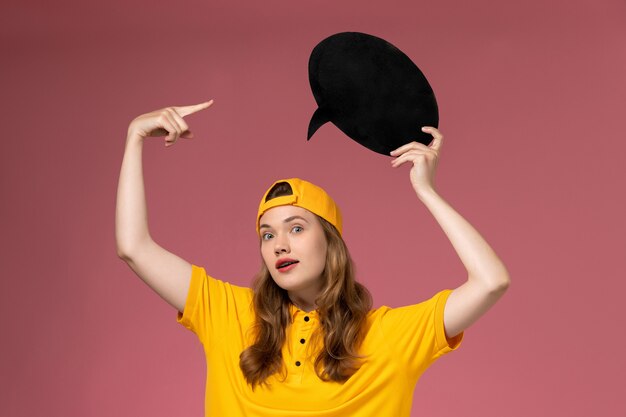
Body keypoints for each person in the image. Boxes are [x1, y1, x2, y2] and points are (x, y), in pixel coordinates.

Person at [115, 101, 511, 417]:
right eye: (267, 235)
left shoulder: (388, 335)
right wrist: (135, 136)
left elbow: (491, 281)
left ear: (331, 241)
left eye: (297, 227)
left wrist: (427, 191)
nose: (279, 245)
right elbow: (134, 247)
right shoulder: (227, 314)